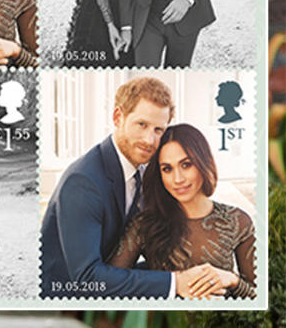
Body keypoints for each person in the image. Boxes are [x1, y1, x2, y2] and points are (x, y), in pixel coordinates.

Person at [39, 77, 227, 298]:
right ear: (118, 117)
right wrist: (175, 282)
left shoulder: (148, 170)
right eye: (142, 125)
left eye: (159, 130)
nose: (149, 140)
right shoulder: (82, 182)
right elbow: (86, 278)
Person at [109, 124, 256, 298]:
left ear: (203, 163)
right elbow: (111, 283)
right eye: (167, 169)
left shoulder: (237, 221)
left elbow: (259, 298)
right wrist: (172, 281)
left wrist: (232, 280)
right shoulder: (144, 225)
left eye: (186, 165)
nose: (177, 179)